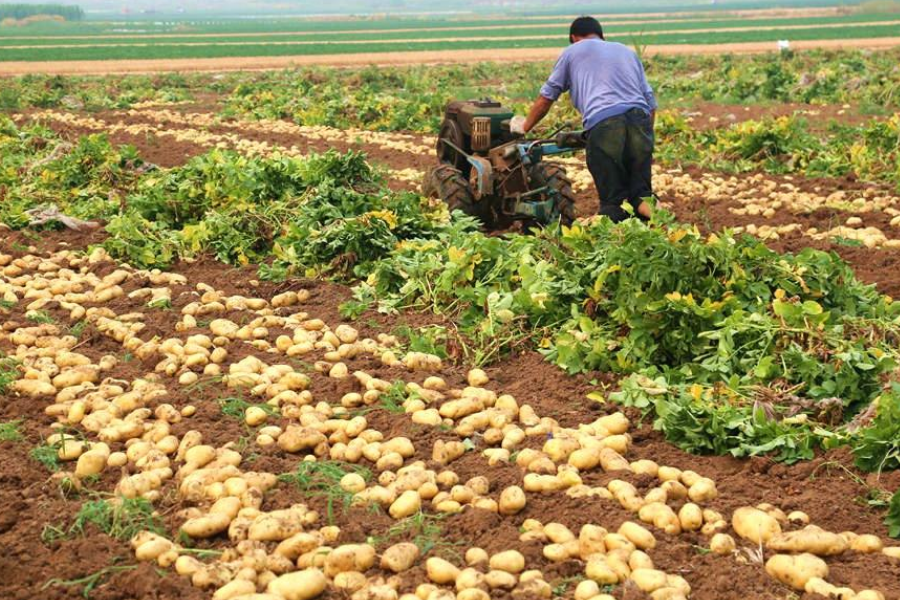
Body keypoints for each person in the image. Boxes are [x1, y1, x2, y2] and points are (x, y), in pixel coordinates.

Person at [511, 16, 657, 222]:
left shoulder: (572, 51)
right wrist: (645, 139)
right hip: (640, 119)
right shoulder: (626, 52)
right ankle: (664, 231)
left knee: (613, 200)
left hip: (605, 122)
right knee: (642, 196)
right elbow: (650, 102)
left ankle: (617, 245)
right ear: (601, 35)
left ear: (573, 37)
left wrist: (525, 126)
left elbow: (547, 98)